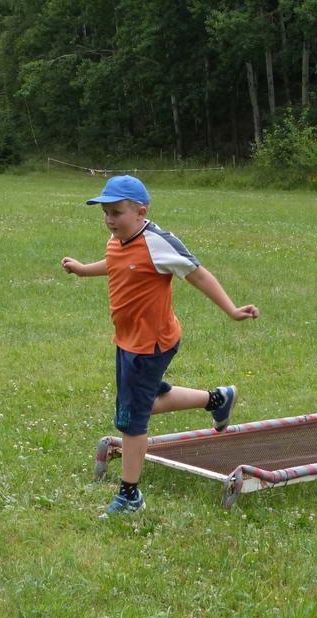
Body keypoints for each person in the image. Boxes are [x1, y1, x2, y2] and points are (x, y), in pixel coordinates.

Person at [61, 175, 259, 517]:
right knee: (146, 401)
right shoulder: (117, 240)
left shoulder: (159, 244)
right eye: (105, 213)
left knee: (132, 418)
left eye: (116, 213)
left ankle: (130, 495)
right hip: (128, 340)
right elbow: (116, 264)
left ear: (141, 211)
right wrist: (82, 270)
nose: (109, 220)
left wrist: (231, 309)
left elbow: (198, 274)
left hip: (151, 344)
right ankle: (217, 399)